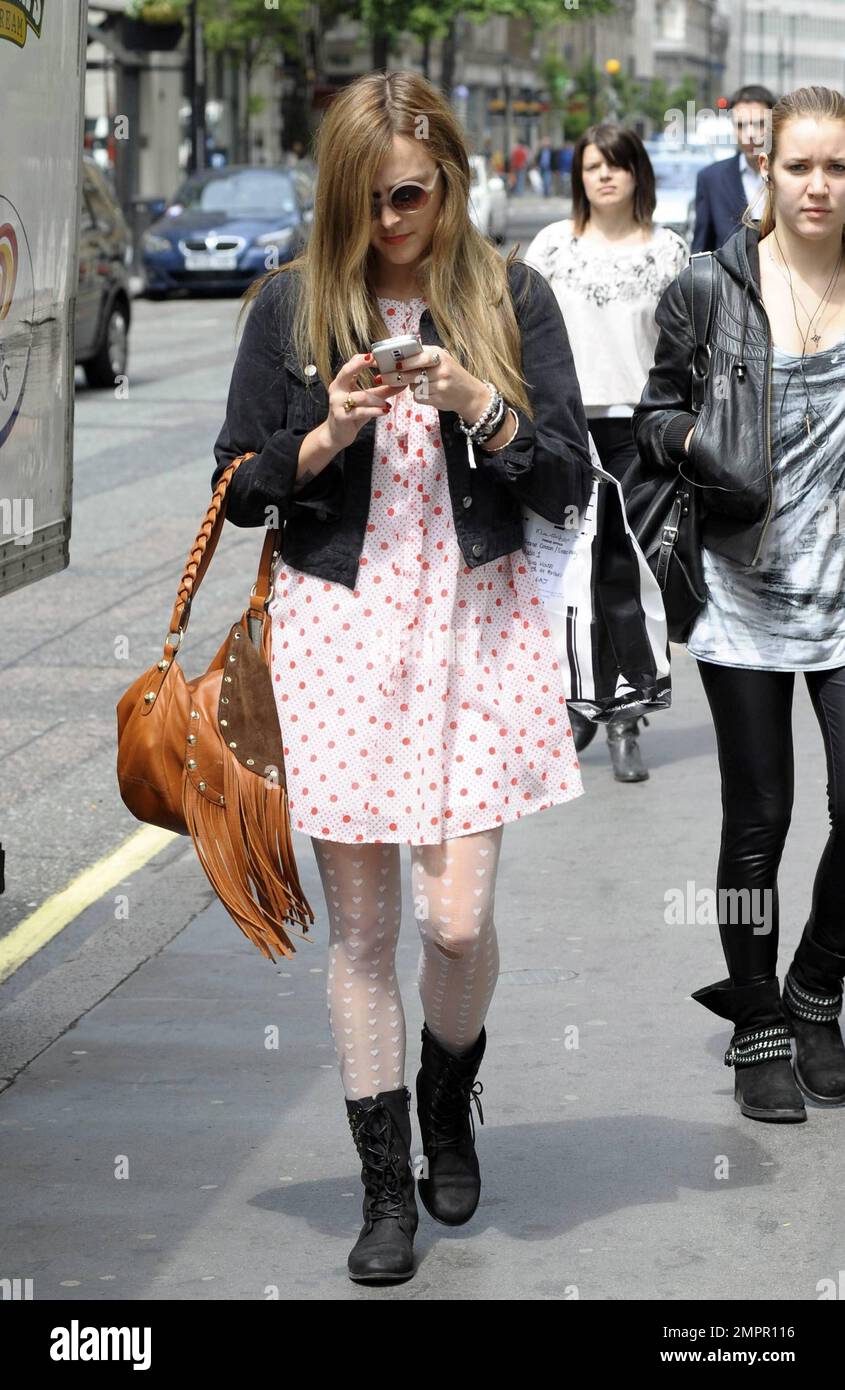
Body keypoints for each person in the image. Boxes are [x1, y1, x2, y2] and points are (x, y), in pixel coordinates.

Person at [211, 68, 592, 1282]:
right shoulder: (291, 305)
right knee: (366, 927)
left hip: (477, 630)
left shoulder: (506, 294)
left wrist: (481, 403)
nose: (391, 222)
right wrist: (322, 433)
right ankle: (386, 1193)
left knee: (455, 917)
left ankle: (445, 1092)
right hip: (340, 633)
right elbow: (235, 491)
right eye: (367, 201)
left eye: (411, 195)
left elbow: (569, 480)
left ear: (452, 179)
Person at [633, 85, 845, 1124]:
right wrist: (691, 444)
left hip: (844, 595)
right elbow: (652, 415)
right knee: (757, 818)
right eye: (799, 165)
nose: (816, 184)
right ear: (766, 171)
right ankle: (759, 1020)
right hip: (739, 591)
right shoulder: (710, 288)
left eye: (835, 167)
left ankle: (813, 984)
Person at [524, 123, 688, 782]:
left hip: (640, 433)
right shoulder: (549, 247)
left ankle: (625, 716)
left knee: (629, 575)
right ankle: (577, 703)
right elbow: (520, 335)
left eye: (616, 165)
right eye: (592, 165)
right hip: (565, 429)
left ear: (636, 174)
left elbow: (686, 351)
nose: (604, 176)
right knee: (574, 576)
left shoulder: (669, 251)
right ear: (579, 176)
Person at [692, 84, 777, 252]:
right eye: (741, 125)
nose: (750, 133)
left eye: (759, 123)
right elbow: (701, 251)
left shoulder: (791, 175)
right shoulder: (711, 179)